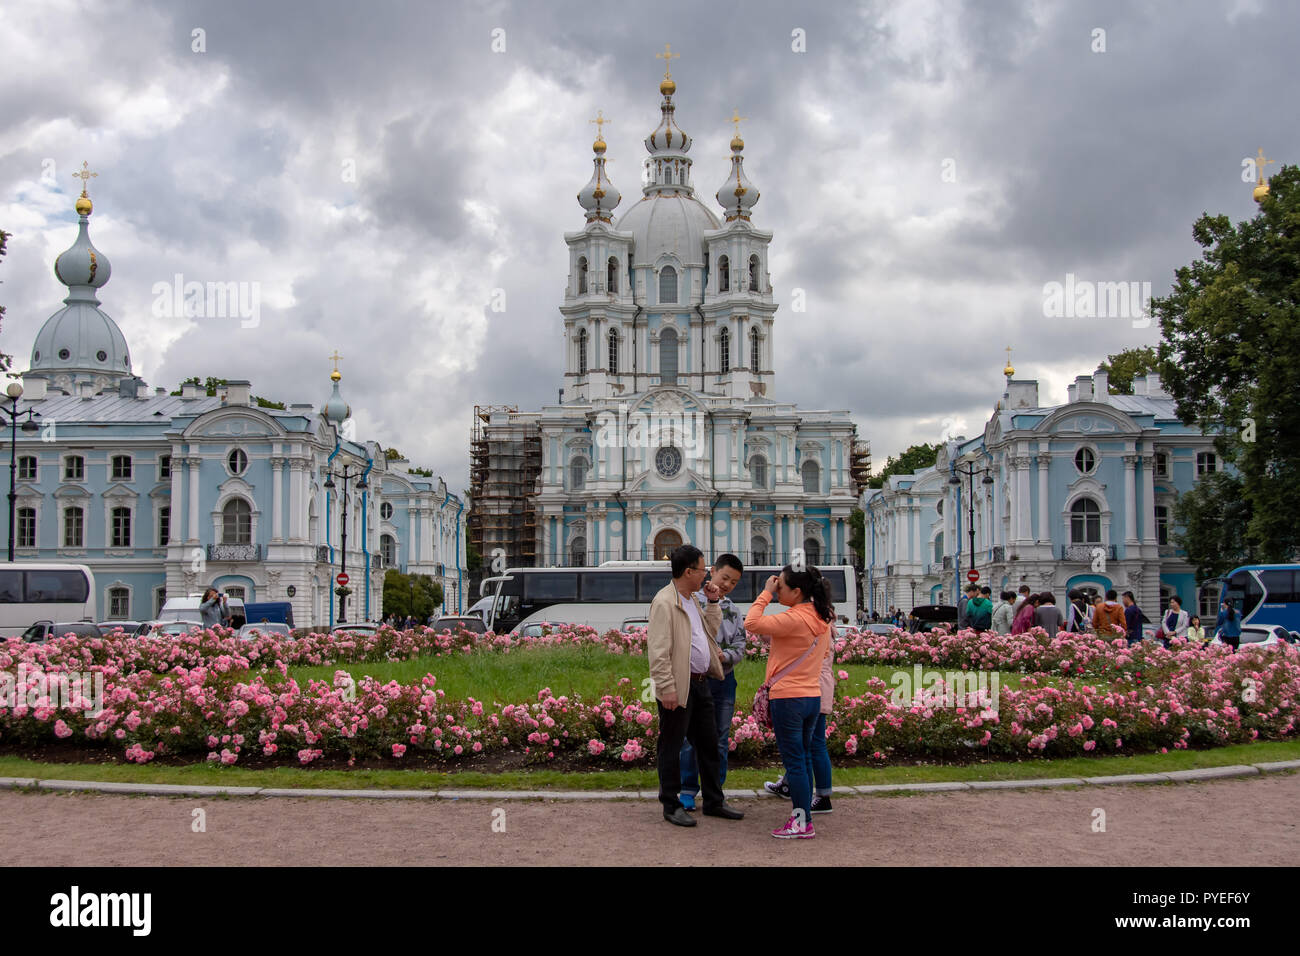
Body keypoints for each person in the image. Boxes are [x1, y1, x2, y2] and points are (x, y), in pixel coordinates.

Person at [647, 545, 745, 827]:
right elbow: (658, 650)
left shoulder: (691, 599)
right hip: (680, 684)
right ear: (688, 571)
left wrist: (713, 603)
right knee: (672, 745)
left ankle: (714, 800)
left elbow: (709, 633)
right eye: (702, 569)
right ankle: (671, 803)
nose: (706, 575)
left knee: (708, 745)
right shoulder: (665, 602)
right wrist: (666, 687)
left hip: (701, 684)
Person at [745, 564, 835, 839]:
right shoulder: (820, 618)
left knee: (795, 762)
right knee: (803, 758)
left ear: (797, 591)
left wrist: (765, 594)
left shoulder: (795, 618)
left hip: (789, 697)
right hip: (810, 696)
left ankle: (801, 822)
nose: (777, 587)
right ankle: (804, 816)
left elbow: (751, 623)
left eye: (781, 585)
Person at [679, 553, 747, 811]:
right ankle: (687, 790)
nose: (728, 584)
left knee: (719, 738)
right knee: (690, 739)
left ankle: (715, 794)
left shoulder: (732, 610)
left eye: (734, 582)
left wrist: (725, 655)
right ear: (712, 572)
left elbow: (741, 644)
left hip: (723, 681)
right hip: (695, 680)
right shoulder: (691, 603)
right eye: (725, 577)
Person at [764, 594, 837, 815]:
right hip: (817, 685)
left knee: (811, 745)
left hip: (810, 685)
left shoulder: (812, 623)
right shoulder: (824, 621)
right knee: (806, 744)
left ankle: (822, 796)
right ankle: (793, 785)